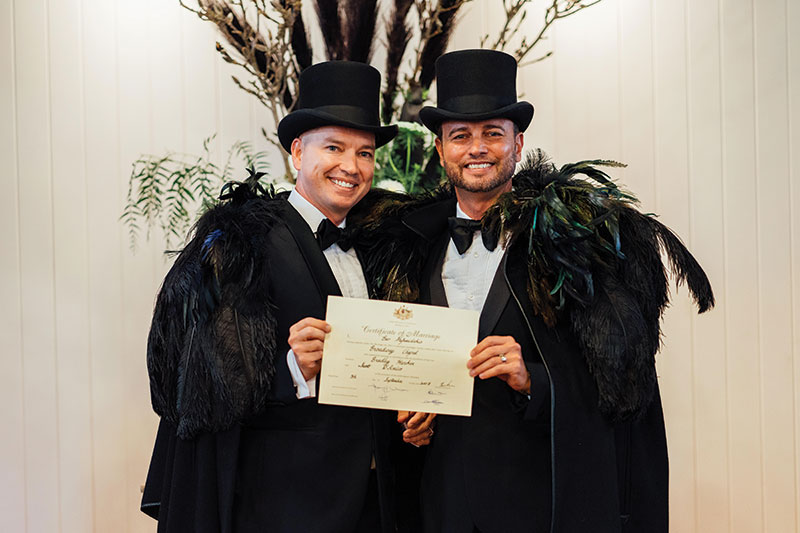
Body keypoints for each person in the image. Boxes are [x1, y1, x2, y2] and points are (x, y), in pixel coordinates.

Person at [360, 49, 715, 532]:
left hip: (539, 506)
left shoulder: (575, 245)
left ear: (519, 144)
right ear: (440, 150)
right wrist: (410, 419)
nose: (477, 148)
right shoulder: (410, 247)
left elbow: (622, 386)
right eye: (460, 136)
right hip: (438, 506)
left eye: (493, 134)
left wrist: (532, 380)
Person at [140, 60, 431, 533]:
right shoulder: (243, 241)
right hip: (285, 505)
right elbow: (200, 379)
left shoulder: (380, 245)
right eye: (333, 148)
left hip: (377, 503)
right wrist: (292, 367)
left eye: (364, 153)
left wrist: (413, 406)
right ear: (298, 153)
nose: (350, 167)